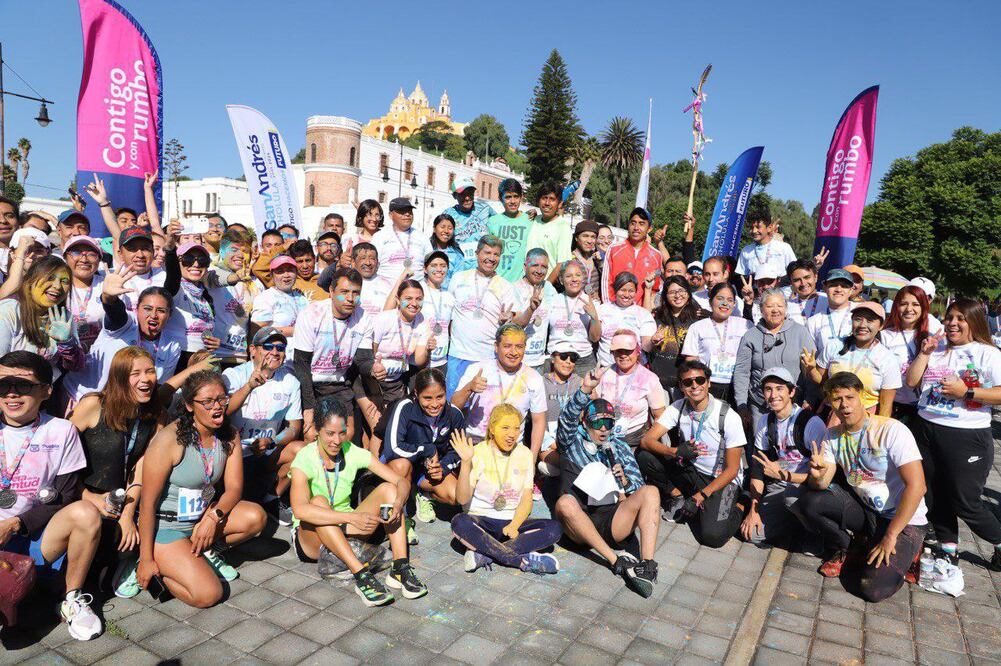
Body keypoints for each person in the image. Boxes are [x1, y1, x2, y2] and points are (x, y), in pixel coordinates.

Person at [136, 370, 267, 608]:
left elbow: (234, 489)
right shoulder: (169, 440)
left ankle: (202, 550)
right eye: (207, 402)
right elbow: (147, 504)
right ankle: (149, 565)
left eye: (221, 399)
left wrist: (212, 518)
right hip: (168, 527)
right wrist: (146, 559)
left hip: (202, 518)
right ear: (189, 406)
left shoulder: (229, 435)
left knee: (255, 516)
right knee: (209, 594)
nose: (217, 406)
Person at [0, 351, 104, 640]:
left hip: (34, 535)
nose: (11, 393)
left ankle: (71, 598)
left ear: (46, 390)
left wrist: (14, 524)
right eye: (3, 385)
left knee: (85, 513)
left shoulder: (61, 431)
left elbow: (64, 495)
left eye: (23, 385)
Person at [797, 372, 927, 601]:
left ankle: (911, 551)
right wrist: (817, 476)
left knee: (872, 589)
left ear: (863, 398)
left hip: (904, 520)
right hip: (869, 512)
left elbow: (917, 487)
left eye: (850, 397)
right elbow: (822, 484)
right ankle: (847, 547)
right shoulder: (832, 435)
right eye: (837, 399)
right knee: (809, 501)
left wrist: (891, 535)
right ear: (830, 403)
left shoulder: (890, 430)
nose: (844, 405)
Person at [288, 397, 428, 606]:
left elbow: (400, 481)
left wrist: (399, 503)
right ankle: (361, 574)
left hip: (346, 527)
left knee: (389, 489)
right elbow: (300, 510)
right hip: (312, 537)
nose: (337, 441)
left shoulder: (351, 451)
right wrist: (351, 517)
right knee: (318, 501)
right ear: (317, 431)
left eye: (342, 433)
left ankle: (400, 567)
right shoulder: (304, 458)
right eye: (330, 433)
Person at [904, 298, 1001, 569]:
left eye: (960, 318)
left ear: (975, 321)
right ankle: (948, 548)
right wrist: (924, 354)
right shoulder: (935, 348)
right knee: (933, 494)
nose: (952, 323)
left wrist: (966, 392)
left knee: (965, 502)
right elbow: (911, 381)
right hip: (926, 428)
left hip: (966, 435)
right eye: (949, 318)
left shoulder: (988, 353)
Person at [553, 367, 661, 598]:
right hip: (578, 522)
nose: (603, 428)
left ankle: (648, 564)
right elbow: (566, 420)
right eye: (597, 422)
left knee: (651, 491)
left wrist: (625, 481)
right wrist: (585, 389)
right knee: (564, 503)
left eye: (608, 423)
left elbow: (637, 485)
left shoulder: (619, 446)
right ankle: (615, 561)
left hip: (611, 519)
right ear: (585, 423)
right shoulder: (571, 441)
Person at [71, 346, 167, 598]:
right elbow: (60, 458)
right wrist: (88, 497)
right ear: (119, 377)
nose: (146, 379)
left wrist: (127, 515)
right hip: (82, 496)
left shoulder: (156, 414)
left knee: (133, 538)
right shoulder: (93, 405)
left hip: (124, 500)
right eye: (136, 373)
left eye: (150, 371)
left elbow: (142, 468)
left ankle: (125, 561)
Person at [639, 360, 746, 547]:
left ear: (708, 383)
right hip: (692, 470)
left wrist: (701, 496)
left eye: (700, 380)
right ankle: (678, 495)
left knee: (712, 538)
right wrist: (675, 451)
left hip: (720, 479)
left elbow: (732, 470)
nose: (695, 386)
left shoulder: (728, 417)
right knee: (644, 456)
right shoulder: (678, 407)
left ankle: (740, 505)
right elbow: (647, 440)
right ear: (681, 387)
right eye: (688, 382)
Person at [450, 404, 562, 574]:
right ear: (492, 428)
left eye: (516, 428)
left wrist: (515, 525)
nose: (512, 434)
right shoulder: (477, 452)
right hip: (481, 523)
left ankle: (485, 553)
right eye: (505, 428)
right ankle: (521, 561)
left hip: (511, 522)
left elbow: (526, 498)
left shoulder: (525, 454)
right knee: (459, 522)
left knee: (554, 529)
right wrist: (465, 463)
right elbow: (462, 499)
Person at [222, 328, 304, 524]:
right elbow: (222, 413)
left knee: (302, 450)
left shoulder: (291, 382)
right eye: (268, 346)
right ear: (253, 350)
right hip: (234, 453)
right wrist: (249, 386)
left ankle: (272, 498)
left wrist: (272, 441)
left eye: (280, 348)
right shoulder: (233, 375)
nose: (275, 352)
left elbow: (294, 427)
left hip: (267, 450)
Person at [739, 367, 826, 546]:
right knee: (752, 535)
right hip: (778, 486)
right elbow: (757, 470)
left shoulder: (811, 423)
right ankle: (790, 522)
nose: (773, 395)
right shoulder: (765, 421)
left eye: (779, 389)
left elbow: (822, 479)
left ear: (792, 392)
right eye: (768, 389)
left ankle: (815, 534)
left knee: (791, 498)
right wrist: (754, 509)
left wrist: (784, 475)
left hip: (807, 487)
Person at [374, 368, 466, 530]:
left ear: (446, 392)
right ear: (416, 394)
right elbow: (392, 448)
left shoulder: (454, 414)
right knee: (402, 466)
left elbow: (458, 451)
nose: (434, 404)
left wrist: (442, 468)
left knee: (455, 495)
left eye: (440, 397)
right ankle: (401, 519)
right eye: (427, 398)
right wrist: (427, 449)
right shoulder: (405, 407)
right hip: (398, 464)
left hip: (425, 470)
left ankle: (423, 493)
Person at [294, 268, 371, 443]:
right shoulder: (312, 314)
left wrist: (373, 368)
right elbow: (301, 363)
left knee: (347, 434)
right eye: (344, 292)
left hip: (339, 383)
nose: (350, 298)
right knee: (312, 434)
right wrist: (309, 407)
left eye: (356, 293)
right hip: (311, 382)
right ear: (331, 291)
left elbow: (363, 360)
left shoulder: (364, 318)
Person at [452, 324, 547, 457]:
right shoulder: (477, 369)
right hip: (476, 445)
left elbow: (539, 421)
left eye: (519, 346)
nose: (513, 352)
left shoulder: (533, 377)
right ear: (496, 347)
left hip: (511, 448)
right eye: (507, 346)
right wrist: (469, 388)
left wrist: (532, 458)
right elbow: (454, 405)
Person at [734, 288, 817, 430]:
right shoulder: (750, 336)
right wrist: (742, 405)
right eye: (770, 306)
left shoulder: (800, 332)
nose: (775, 310)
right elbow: (742, 372)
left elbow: (810, 369)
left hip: (794, 404)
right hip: (760, 405)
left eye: (779, 305)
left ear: (786, 308)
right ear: (761, 309)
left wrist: (810, 398)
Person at [802, 302, 901, 418]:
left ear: (881, 326)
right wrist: (811, 369)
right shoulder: (835, 346)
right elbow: (822, 382)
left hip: (866, 418)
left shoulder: (887, 359)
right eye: (858, 319)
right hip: (833, 414)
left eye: (870, 320)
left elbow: (885, 407)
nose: (862, 325)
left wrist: (879, 427)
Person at [444, 235, 515, 397]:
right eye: (487, 253)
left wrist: (507, 321)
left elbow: (512, 322)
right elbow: (449, 317)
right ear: (477, 254)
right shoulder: (459, 278)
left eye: (496, 254)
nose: (491, 258)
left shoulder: (506, 286)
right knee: (454, 404)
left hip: (487, 359)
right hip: (458, 356)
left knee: (483, 407)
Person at [0, 256, 84, 379]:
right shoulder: (9, 310)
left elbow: (77, 366)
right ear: (30, 281)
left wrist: (67, 343)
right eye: (50, 278)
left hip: (46, 387)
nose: (57, 286)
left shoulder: (64, 317)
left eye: (65, 281)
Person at [361, 279, 433, 410]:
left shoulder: (423, 322)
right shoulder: (384, 319)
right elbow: (369, 354)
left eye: (419, 299)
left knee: (393, 416)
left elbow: (419, 361)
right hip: (372, 380)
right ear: (398, 300)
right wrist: (374, 368)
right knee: (374, 418)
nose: (414, 303)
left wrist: (428, 350)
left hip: (396, 382)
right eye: (408, 298)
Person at [881, 285, 943, 424]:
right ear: (896, 306)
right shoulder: (884, 336)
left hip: (925, 409)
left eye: (915, 304)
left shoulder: (932, 337)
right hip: (892, 406)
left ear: (924, 308)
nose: (909, 309)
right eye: (903, 304)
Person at [596, 330, 666, 449]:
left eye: (628, 351)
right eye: (619, 351)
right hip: (605, 435)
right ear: (613, 353)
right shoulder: (603, 373)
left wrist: (649, 441)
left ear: (638, 351)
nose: (623, 355)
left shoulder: (649, 378)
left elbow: (660, 416)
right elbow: (594, 403)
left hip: (636, 439)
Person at [681, 283, 751, 401]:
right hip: (708, 386)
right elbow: (691, 360)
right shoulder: (697, 327)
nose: (725, 303)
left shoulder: (745, 325)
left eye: (730, 300)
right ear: (710, 302)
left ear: (734, 304)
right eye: (720, 298)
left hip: (738, 386)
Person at [161, 238, 221, 366]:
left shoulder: (206, 294)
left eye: (202, 260)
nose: (196, 264)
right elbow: (172, 276)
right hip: (177, 357)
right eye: (188, 259)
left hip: (201, 357)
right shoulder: (175, 288)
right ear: (178, 262)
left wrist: (213, 342)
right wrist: (171, 251)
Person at [650, 276, 706, 395]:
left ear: (688, 293)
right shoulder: (657, 316)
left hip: (685, 382)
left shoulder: (698, 318)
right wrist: (653, 341)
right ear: (665, 295)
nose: (677, 295)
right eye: (672, 292)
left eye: (681, 290)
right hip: (658, 381)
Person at [546, 260, 601, 376]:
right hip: (556, 358)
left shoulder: (591, 302)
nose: (574, 279)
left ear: (582, 278)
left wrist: (594, 316)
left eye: (578, 275)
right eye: (569, 276)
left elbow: (595, 338)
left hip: (583, 361)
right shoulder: (552, 300)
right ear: (561, 280)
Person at [601, 207, 662, 305]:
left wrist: (646, 310)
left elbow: (654, 289)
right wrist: (610, 309)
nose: (636, 227)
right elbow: (606, 283)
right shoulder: (613, 249)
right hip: (615, 310)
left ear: (649, 228)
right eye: (633, 223)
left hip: (641, 312)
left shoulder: (656, 256)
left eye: (641, 224)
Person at [539, 342, 583, 476]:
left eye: (573, 358)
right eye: (563, 357)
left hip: (574, 440)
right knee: (560, 464)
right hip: (549, 440)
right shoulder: (541, 382)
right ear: (553, 359)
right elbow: (536, 420)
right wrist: (554, 444)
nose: (568, 361)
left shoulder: (580, 382)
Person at [511, 249, 558, 372]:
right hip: (518, 360)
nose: (539, 270)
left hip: (540, 361)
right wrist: (531, 309)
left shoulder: (549, 288)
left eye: (544, 267)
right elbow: (516, 324)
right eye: (535, 265)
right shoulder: (514, 289)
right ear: (525, 266)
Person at [596, 272, 656, 367]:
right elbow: (594, 337)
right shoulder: (602, 310)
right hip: (607, 368)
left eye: (631, 291)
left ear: (636, 292)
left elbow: (646, 346)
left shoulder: (644, 314)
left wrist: (653, 342)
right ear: (615, 290)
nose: (626, 295)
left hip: (635, 368)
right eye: (622, 290)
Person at [487, 178, 537, 282]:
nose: (513, 201)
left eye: (516, 196)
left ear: (521, 197)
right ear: (500, 198)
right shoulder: (492, 222)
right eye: (508, 197)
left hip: (521, 283)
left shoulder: (530, 221)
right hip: (496, 281)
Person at [373, 198, 433, 284]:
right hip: (387, 289)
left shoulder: (422, 237)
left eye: (410, 211)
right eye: (402, 211)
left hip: (416, 289)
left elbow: (431, 265)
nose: (407, 214)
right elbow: (373, 264)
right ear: (390, 215)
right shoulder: (380, 237)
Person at [250, 254, 308, 340]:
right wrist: (293, 331)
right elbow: (257, 330)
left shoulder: (302, 298)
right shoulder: (266, 297)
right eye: (280, 271)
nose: (286, 275)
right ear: (271, 275)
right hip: (277, 347)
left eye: (290, 270)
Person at [64, 236, 105, 354]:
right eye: (76, 252)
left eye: (91, 254)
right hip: (67, 356)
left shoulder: (107, 285)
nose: (84, 259)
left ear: (99, 260)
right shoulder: (57, 286)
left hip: (101, 357)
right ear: (65, 258)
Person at [806, 268, 857, 357]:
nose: (838, 289)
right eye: (833, 285)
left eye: (844, 286)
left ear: (851, 290)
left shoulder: (862, 311)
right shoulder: (813, 322)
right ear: (825, 288)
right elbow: (811, 356)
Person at [443, 176, 494, 265]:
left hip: (484, 267)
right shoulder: (448, 215)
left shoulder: (485, 209)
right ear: (454, 195)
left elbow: (501, 225)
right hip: (460, 268)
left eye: (470, 193)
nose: (467, 198)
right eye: (462, 194)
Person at [419, 251, 454, 373]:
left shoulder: (449, 297)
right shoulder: (418, 291)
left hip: (441, 362)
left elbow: (450, 328)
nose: (439, 269)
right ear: (425, 269)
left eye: (443, 266)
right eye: (434, 265)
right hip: (418, 361)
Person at [551, 220, 602, 300]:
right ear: (576, 238)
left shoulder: (597, 260)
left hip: (594, 306)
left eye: (593, 237)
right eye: (585, 236)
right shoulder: (567, 259)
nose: (589, 241)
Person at [525, 182, 572, 265]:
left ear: (560, 203)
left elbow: (562, 264)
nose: (547, 203)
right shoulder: (533, 220)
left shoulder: (563, 227)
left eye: (552, 199)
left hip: (548, 274)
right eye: (544, 198)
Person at [352, 243, 394, 318]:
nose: (368, 263)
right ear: (353, 262)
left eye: (372, 259)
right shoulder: (347, 283)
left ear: (378, 263)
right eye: (363, 258)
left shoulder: (388, 285)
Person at [785, 259, 828, 325]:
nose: (803, 283)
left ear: (816, 277)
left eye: (807, 277)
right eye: (797, 280)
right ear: (791, 283)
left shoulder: (828, 300)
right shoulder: (787, 307)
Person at [428, 213, 464, 288]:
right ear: (434, 229)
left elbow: (458, 280)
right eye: (442, 227)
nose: (446, 231)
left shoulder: (457, 254)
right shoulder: (426, 249)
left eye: (450, 228)